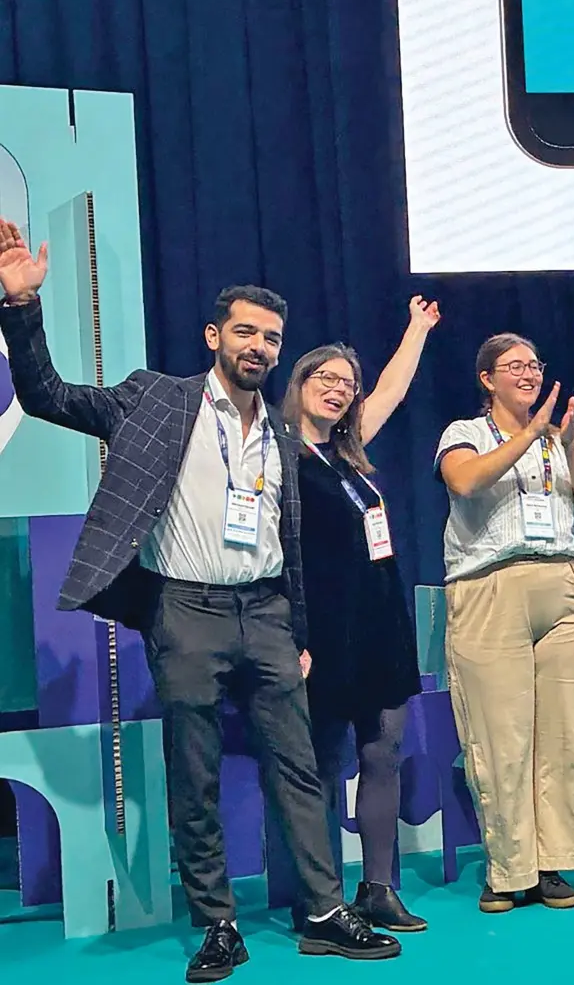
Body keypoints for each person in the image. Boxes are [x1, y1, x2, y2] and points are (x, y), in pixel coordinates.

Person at [0, 220, 399, 980]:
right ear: (215, 336)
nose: (259, 347)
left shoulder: (281, 433)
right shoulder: (156, 399)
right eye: (245, 332)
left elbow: (290, 546)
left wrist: (299, 632)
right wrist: (21, 306)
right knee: (196, 774)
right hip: (186, 611)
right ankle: (217, 922)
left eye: (271, 338)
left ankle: (322, 911)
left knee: (300, 768)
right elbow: (47, 395)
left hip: (269, 614)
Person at [278, 294, 444, 931]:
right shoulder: (277, 452)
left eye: (348, 384)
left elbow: (393, 391)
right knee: (320, 764)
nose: (338, 390)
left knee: (383, 753)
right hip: (320, 633)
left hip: (379, 625)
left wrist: (417, 329)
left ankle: (378, 888)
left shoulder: (348, 457)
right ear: (300, 384)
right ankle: (319, 897)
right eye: (325, 378)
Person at [435, 334, 574, 911]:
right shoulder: (464, 433)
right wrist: (530, 434)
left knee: (570, 736)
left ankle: (556, 862)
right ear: (487, 379)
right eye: (515, 366)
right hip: (490, 585)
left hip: (566, 584)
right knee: (500, 739)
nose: (529, 374)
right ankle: (509, 868)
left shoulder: (557, 439)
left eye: (535, 365)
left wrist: (570, 440)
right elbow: (465, 481)